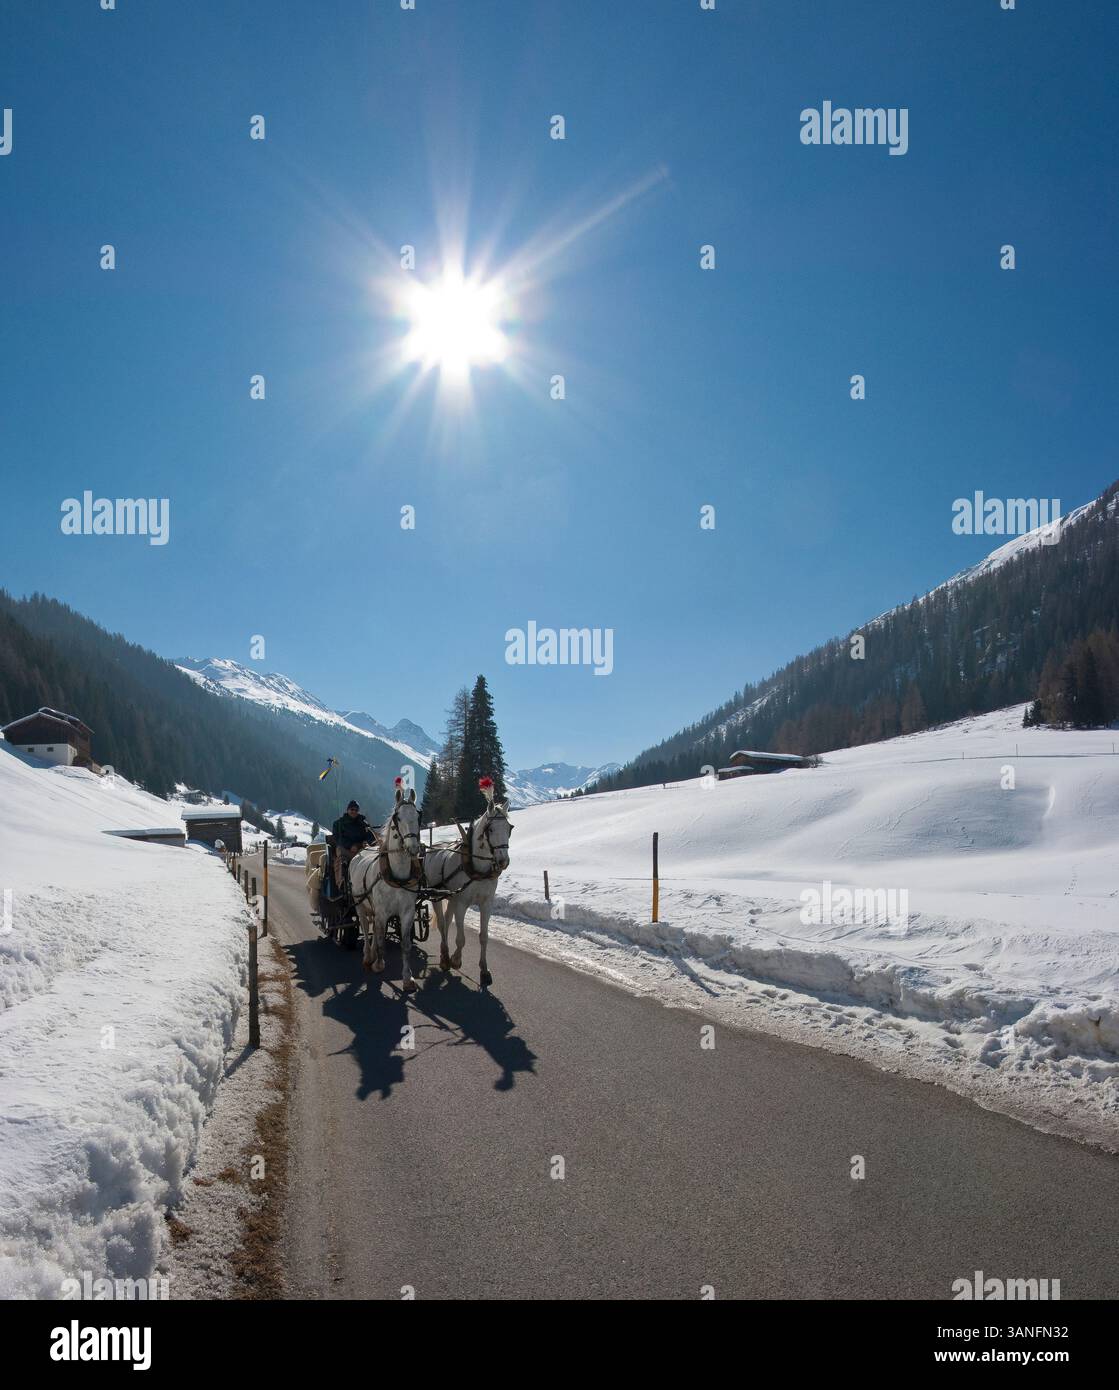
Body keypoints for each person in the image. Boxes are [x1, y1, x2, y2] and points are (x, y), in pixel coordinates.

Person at [331, 800, 377, 889]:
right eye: (352, 809)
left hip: (361, 849)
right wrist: (350, 845)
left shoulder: (363, 822)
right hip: (345, 849)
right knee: (341, 860)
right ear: (347, 810)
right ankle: (341, 884)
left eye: (356, 810)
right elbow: (338, 838)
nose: (354, 812)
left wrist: (366, 842)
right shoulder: (339, 823)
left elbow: (371, 836)